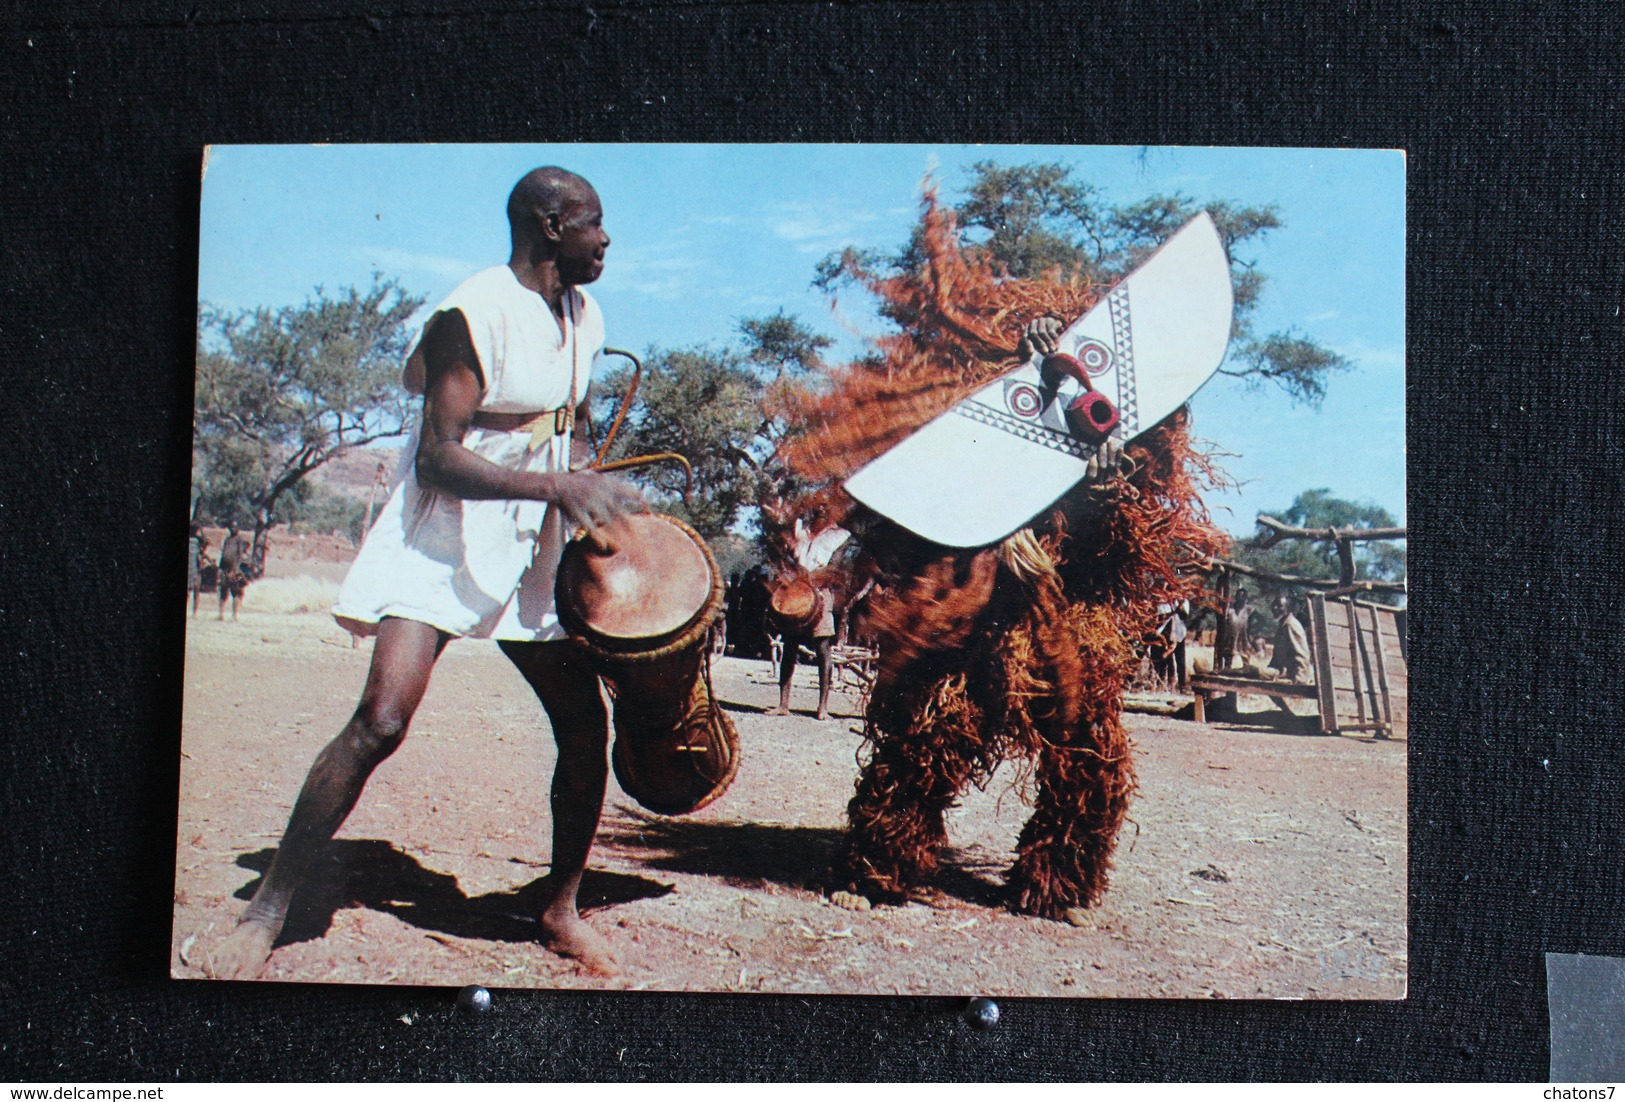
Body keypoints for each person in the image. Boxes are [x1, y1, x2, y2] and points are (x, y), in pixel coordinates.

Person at [207, 167, 646, 981]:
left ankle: (558, 909)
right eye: (593, 222)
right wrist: (559, 483)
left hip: (530, 543)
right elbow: (439, 459)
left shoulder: (586, 313)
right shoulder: (468, 315)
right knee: (381, 720)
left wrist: (587, 491)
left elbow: (570, 429)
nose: (605, 238)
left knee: (585, 726)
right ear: (551, 225)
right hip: (444, 535)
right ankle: (266, 911)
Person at [216, 525, 249, 622]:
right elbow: (223, 554)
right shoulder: (227, 540)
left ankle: (234, 615)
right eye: (231, 527)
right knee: (223, 591)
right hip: (225, 569)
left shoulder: (239, 540)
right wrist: (220, 568)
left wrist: (235, 570)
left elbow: (239, 556)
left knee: (235, 592)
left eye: (235, 527)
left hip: (234, 570)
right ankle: (221, 614)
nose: (233, 529)